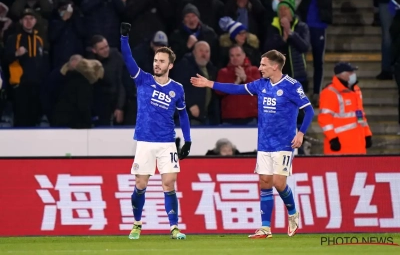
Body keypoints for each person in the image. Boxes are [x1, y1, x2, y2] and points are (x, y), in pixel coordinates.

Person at [190, 50, 315, 238]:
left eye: (264, 65)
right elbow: (237, 89)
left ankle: (293, 213)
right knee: (265, 182)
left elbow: (309, 111)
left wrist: (301, 133)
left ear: (274, 66)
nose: (260, 68)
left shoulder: (291, 86)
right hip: (264, 143)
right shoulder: (261, 84)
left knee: (279, 183)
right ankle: (265, 227)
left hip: (284, 142)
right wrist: (210, 83)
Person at [120, 22, 192, 240]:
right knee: (141, 184)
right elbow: (127, 58)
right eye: (155, 60)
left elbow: (184, 115)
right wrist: (124, 37)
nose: (157, 64)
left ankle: (174, 227)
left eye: (161, 61)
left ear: (170, 65)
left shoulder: (177, 89)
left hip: (167, 143)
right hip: (144, 141)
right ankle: (136, 223)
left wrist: (187, 141)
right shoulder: (143, 79)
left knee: (169, 183)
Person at [318, 62, 372, 154]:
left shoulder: (356, 91)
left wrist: (367, 134)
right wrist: (333, 139)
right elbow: (325, 119)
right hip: (340, 146)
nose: (353, 75)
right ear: (342, 75)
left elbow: (360, 115)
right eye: (350, 72)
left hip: (358, 144)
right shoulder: (330, 93)